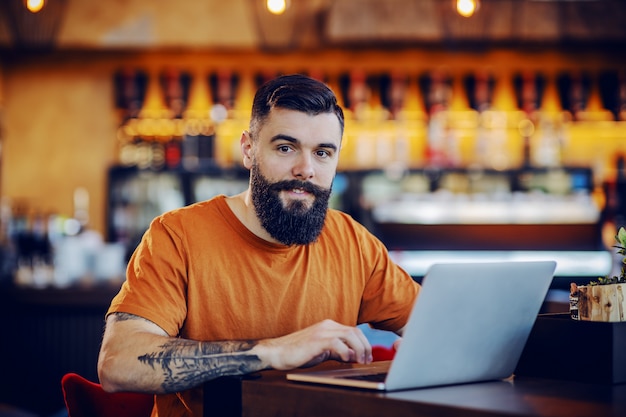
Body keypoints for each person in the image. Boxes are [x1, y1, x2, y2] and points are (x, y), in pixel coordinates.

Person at [97, 74, 421, 416]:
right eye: (285, 148)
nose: (305, 169)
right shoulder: (177, 235)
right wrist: (272, 352)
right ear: (249, 149)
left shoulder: (353, 242)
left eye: (323, 153)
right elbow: (118, 363)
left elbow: (438, 328)